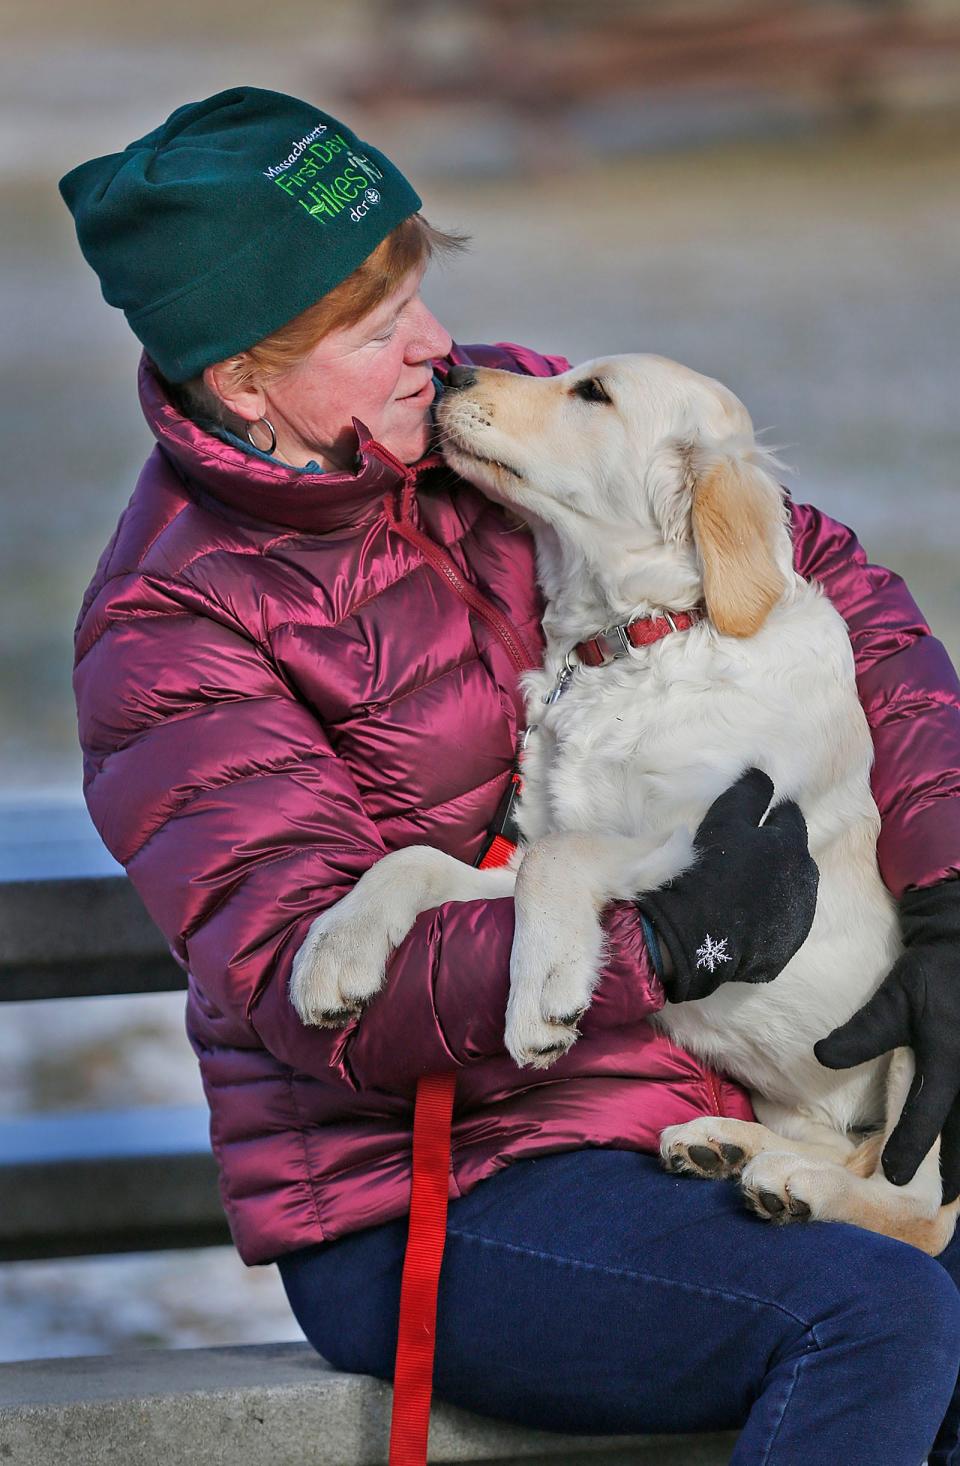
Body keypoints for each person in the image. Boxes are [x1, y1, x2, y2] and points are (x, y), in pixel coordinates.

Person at [60, 86, 960, 1464]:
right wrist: (651, 943)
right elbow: (317, 1001)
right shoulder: (171, 627)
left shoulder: (484, 419)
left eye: (423, 293)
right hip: (440, 1191)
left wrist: (950, 885)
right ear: (245, 378)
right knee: (876, 1310)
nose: (437, 346)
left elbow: (830, 589)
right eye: (378, 332)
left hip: (698, 1108)